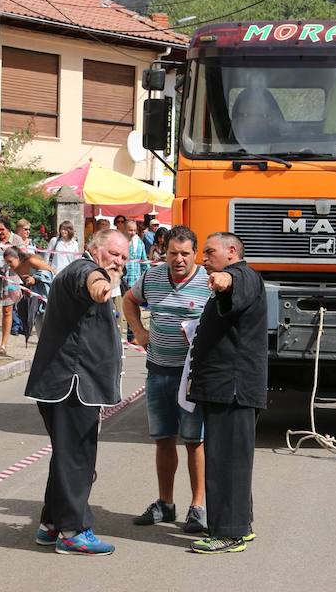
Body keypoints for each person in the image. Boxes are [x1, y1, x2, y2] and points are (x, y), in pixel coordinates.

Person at [24, 228, 128, 556]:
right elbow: (96, 289)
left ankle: (51, 524)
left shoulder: (77, 270)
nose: (119, 262)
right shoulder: (88, 271)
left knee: (66, 456)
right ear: (94, 248)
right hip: (74, 384)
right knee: (78, 458)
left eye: (124, 257)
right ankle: (73, 531)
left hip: (67, 383)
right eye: (114, 253)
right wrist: (105, 283)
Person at [125, 226, 210, 533]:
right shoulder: (153, 277)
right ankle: (166, 503)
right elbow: (128, 300)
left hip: (191, 377)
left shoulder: (207, 282)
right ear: (164, 252)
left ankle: (197, 507)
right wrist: (140, 332)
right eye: (173, 253)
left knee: (194, 441)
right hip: (158, 371)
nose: (178, 259)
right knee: (163, 439)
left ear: (195, 254)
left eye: (185, 253)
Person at [187, 233, 266, 554]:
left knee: (225, 462)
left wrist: (222, 279)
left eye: (210, 253)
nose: (203, 259)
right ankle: (238, 525)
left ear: (232, 252)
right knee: (230, 459)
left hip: (232, 389)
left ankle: (229, 533)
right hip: (224, 388)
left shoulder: (242, 275)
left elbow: (231, 282)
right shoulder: (241, 275)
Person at [0, 216, 24, 355]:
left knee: (7, 310)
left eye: (2, 229)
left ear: (8, 228)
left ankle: (4, 345)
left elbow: (23, 260)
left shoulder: (17, 240)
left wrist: (10, 262)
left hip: (11, 279)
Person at [3, 247, 55, 339]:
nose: (9, 265)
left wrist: (35, 279)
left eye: (10, 261)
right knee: (40, 329)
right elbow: (27, 283)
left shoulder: (31, 261)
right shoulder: (16, 269)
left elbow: (51, 272)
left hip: (50, 296)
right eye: (7, 262)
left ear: (18, 258)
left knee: (50, 329)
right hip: (37, 301)